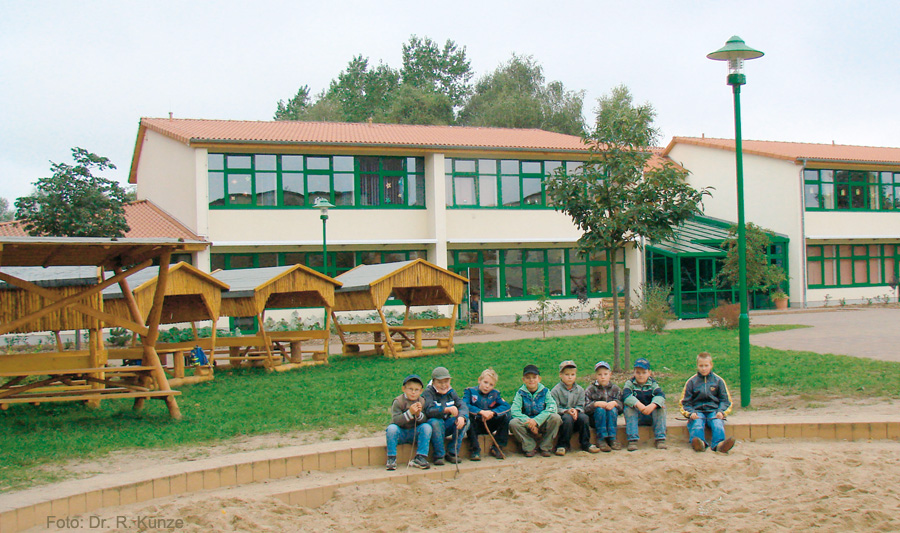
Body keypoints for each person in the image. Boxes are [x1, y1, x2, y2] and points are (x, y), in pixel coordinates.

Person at [679, 352, 736, 454]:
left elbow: (726, 400)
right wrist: (690, 413)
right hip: (697, 411)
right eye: (701, 366)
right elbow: (685, 402)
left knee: (717, 424)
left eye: (706, 365)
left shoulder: (718, 381)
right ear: (697, 366)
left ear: (711, 365)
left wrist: (721, 412)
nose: (704, 368)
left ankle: (719, 445)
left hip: (714, 411)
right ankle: (700, 444)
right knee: (697, 425)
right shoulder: (691, 382)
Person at [509, 364, 562, 457]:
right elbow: (514, 411)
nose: (531, 380)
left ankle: (546, 446)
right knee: (513, 423)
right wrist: (529, 422)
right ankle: (529, 446)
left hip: (542, 422)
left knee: (556, 418)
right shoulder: (520, 393)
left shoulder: (545, 391)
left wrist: (536, 421)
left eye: (534, 377)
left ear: (539, 379)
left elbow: (552, 407)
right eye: (528, 378)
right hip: (527, 423)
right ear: (523, 380)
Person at [423, 366, 469, 465]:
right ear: (433, 382)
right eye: (440, 382)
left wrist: (462, 416)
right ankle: (439, 455)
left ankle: (452, 452)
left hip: (447, 424)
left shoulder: (451, 392)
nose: (443, 385)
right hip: (434, 426)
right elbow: (429, 411)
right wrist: (445, 410)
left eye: (446, 381)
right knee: (435, 422)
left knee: (466, 421)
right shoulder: (428, 392)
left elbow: (462, 406)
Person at [385, 374, 432, 470]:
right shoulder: (398, 401)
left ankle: (420, 457)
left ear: (421, 391)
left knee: (427, 427)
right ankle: (391, 458)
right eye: (410, 389)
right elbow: (396, 420)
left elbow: (424, 420)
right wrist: (410, 413)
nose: (413, 392)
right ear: (404, 389)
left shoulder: (422, 401)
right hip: (400, 433)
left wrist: (418, 414)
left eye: (416, 390)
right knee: (391, 429)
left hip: (414, 433)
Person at [551, 360, 598, 455]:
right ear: (560, 375)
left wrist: (576, 410)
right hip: (563, 418)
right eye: (567, 374)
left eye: (572, 374)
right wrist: (566, 411)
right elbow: (554, 407)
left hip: (577, 416)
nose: (570, 377)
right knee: (567, 418)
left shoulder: (579, 390)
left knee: (584, 418)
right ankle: (562, 445)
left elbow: (581, 404)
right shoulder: (555, 391)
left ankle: (585, 443)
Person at [463, 368, 510, 460]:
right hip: (475, 424)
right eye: (485, 382)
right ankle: (475, 449)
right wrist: (480, 412)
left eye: (491, 384)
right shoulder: (470, 391)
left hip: (489, 423)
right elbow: (464, 405)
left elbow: (506, 406)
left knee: (505, 417)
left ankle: (497, 447)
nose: (487, 386)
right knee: (469, 418)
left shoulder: (495, 394)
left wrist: (493, 412)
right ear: (479, 380)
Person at [622, 358, 667, 451]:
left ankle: (660, 439)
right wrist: (639, 405)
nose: (641, 375)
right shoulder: (630, 383)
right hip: (636, 416)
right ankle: (632, 440)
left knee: (661, 407)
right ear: (634, 372)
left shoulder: (653, 383)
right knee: (628, 408)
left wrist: (653, 405)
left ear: (649, 373)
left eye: (644, 372)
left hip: (651, 415)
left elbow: (661, 395)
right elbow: (626, 396)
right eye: (638, 372)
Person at [583, 360, 623, 452]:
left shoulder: (615, 389)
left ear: (610, 374)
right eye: (600, 374)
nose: (603, 377)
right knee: (600, 410)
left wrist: (615, 403)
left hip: (611, 418)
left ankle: (612, 438)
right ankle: (601, 439)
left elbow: (622, 406)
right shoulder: (590, 389)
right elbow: (585, 408)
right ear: (596, 376)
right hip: (595, 419)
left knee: (612, 410)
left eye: (605, 374)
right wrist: (596, 404)